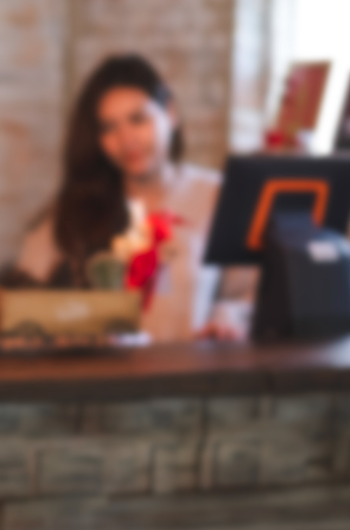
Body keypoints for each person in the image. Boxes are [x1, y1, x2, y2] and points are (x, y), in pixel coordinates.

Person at [14, 55, 247, 342]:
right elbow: (22, 306)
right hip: (103, 381)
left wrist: (227, 318)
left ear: (170, 113)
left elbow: (248, 293)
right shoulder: (77, 209)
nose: (126, 140)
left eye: (138, 119)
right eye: (108, 127)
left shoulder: (217, 196)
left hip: (193, 377)